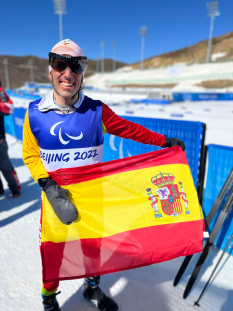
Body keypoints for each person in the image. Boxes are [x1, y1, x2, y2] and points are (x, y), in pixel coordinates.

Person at [22, 39, 185, 311]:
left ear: (82, 73)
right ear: (50, 70)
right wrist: (47, 184)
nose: (68, 73)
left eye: (76, 66)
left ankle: (92, 287)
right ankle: (48, 299)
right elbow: (29, 154)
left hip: (93, 199)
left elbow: (131, 129)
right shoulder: (35, 113)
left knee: (93, 251)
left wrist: (163, 141)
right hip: (55, 200)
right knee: (53, 254)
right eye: (60, 64)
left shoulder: (97, 110)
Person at [0, 81, 21, 197]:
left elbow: (10, 107)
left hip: (0, 138)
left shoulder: (0, 91)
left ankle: (15, 189)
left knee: (5, 165)